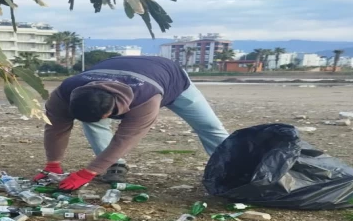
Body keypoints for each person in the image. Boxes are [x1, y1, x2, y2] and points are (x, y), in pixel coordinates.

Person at [35, 56, 229, 190]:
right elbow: (55, 128)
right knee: (92, 123)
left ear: (111, 110)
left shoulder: (145, 101)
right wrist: (53, 164)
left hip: (170, 78)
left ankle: (236, 166)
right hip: (117, 69)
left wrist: (88, 173)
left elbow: (124, 139)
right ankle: (114, 166)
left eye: (105, 116)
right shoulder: (63, 93)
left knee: (209, 126)